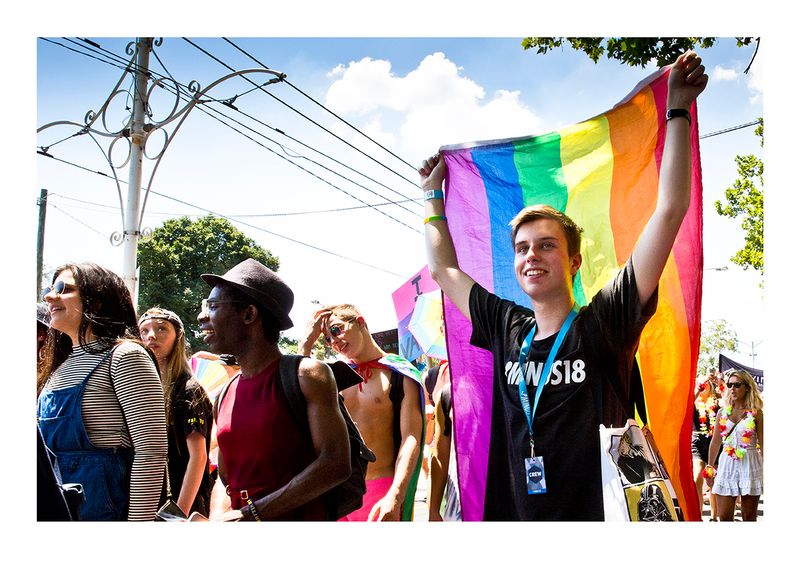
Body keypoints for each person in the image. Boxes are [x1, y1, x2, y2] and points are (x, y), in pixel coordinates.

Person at [418, 51, 708, 520]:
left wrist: (676, 108)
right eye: (522, 248)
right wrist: (432, 195)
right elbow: (444, 272)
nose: (531, 256)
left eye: (546, 246)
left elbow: (670, 208)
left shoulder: (604, 321)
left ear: (573, 261)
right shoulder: (505, 324)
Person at [197, 258, 350, 521]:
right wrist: (218, 518)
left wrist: (252, 514)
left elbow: (335, 464)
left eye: (213, 306)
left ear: (249, 314)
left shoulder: (307, 375)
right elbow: (226, 479)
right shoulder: (224, 393)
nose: (202, 317)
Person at [37, 263, 167, 521]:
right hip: (59, 509)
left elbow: (151, 450)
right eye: (50, 289)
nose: (49, 297)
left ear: (96, 301)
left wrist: (139, 525)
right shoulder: (58, 365)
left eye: (64, 289)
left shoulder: (125, 355)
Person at [299, 304, 425, 521]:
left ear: (360, 322)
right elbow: (295, 404)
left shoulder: (400, 374)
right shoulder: (331, 376)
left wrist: (395, 495)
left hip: (380, 490)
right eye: (327, 338)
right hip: (336, 493)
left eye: (337, 330)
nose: (334, 341)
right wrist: (306, 345)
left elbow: (411, 437)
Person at [139, 307, 213, 517]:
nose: (151, 336)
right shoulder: (147, 387)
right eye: (144, 330)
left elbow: (198, 458)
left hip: (183, 505)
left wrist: (179, 515)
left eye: (161, 329)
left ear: (178, 337)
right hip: (152, 502)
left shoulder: (188, 389)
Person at [706, 370, 763, 521]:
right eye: (730, 384)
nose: (732, 389)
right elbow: (715, 442)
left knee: (749, 517)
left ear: (747, 388)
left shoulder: (757, 413)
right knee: (724, 517)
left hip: (749, 463)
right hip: (727, 463)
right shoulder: (722, 413)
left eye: (737, 385)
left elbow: (764, 445)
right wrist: (710, 468)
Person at [428, 365, 462, 521]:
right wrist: (433, 511)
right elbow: (440, 456)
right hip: (457, 510)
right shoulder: (447, 394)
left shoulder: (507, 390)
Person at [692, 373, 721, 520]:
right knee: (697, 476)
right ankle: (698, 514)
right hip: (696, 440)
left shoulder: (717, 402)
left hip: (712, 441)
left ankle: (714, 516)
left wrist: (720, 383)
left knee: (713, 478)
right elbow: (686, 404)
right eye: (701, 384)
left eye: (707, 384)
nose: (704, 386)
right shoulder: (694, 402)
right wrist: (698, 389)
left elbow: (729, 401)